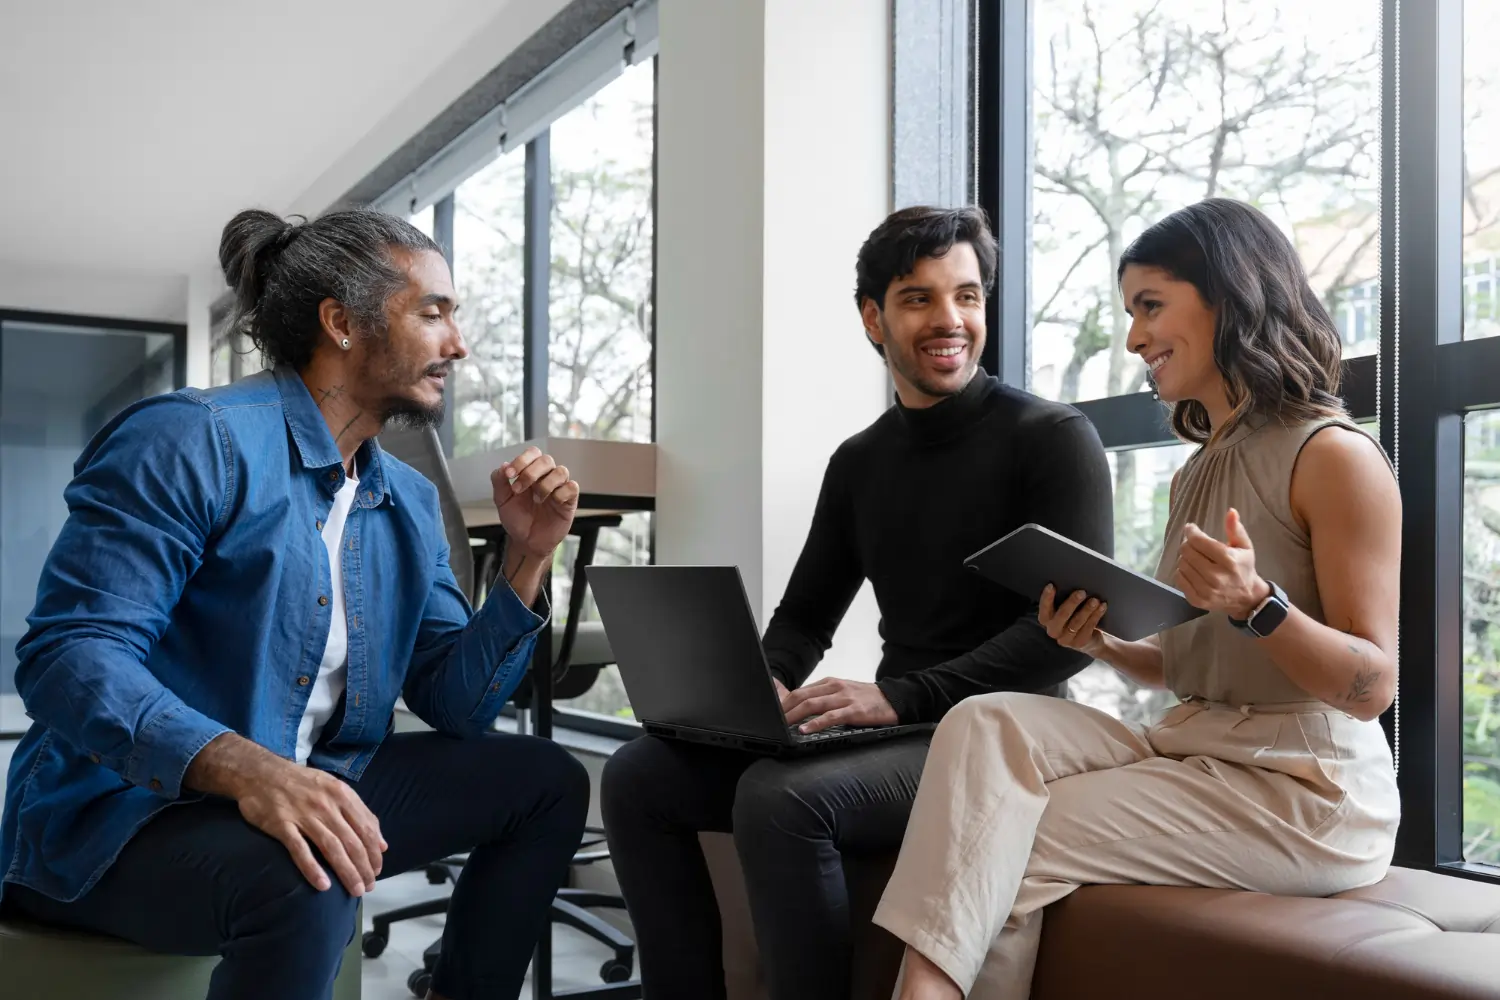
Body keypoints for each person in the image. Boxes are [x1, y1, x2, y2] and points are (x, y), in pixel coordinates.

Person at [0, 208, 591, 1000]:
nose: (458, 343)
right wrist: (251, 769)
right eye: (433, 312)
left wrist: (527, 557)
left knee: (545, 781)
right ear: (341, 323)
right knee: (306, 874)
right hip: (120, 818)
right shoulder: (192, 439)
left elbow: (457, 704)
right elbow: (69, 657)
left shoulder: (407, 502)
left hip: (310, 779)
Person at [875, 197, 1403, 1000]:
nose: (1133, 339)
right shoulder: (1197, 469)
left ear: (1227, 297)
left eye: (1150, 307)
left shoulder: (1332, 456)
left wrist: (1260, 603)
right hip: (1200, 745)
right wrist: (1102, 644)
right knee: (985, 717)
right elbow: (1201, 664)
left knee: (1004, 837)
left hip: (1309, 790)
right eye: (1131, 313)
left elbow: (1372, 686)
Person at [600, 205, 1115, 1000]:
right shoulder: (860, 462)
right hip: (904, 726)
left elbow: (1066, 640)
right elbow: (806, 617)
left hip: (1005, 739)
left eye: (968, 297)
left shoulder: (1052, 438)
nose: (950, 320)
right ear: (873, 317)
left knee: (781, 801)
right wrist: (759, 685)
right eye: (919, 298)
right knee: (638, 778)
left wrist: (896, 696)